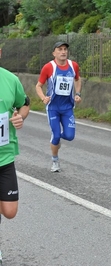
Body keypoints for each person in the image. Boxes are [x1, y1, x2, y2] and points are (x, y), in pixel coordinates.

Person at [35, 41, 82, 173]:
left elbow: (77, 79)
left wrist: (77, 94)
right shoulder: (49, 67)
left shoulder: (73, 66)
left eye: (65, 49)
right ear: (54, 53)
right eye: (60, 49)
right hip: (53, 107)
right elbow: (38, 86)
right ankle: (55, 161)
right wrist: (43, 98)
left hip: (67, 107)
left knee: (69, 136)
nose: (63, 52)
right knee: (55, 136)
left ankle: (56, 140)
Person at [0, 67, 30, 262]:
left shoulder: (10, 79)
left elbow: (24, 104)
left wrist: (20, 117)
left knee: (10, 212)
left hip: (5, 157)